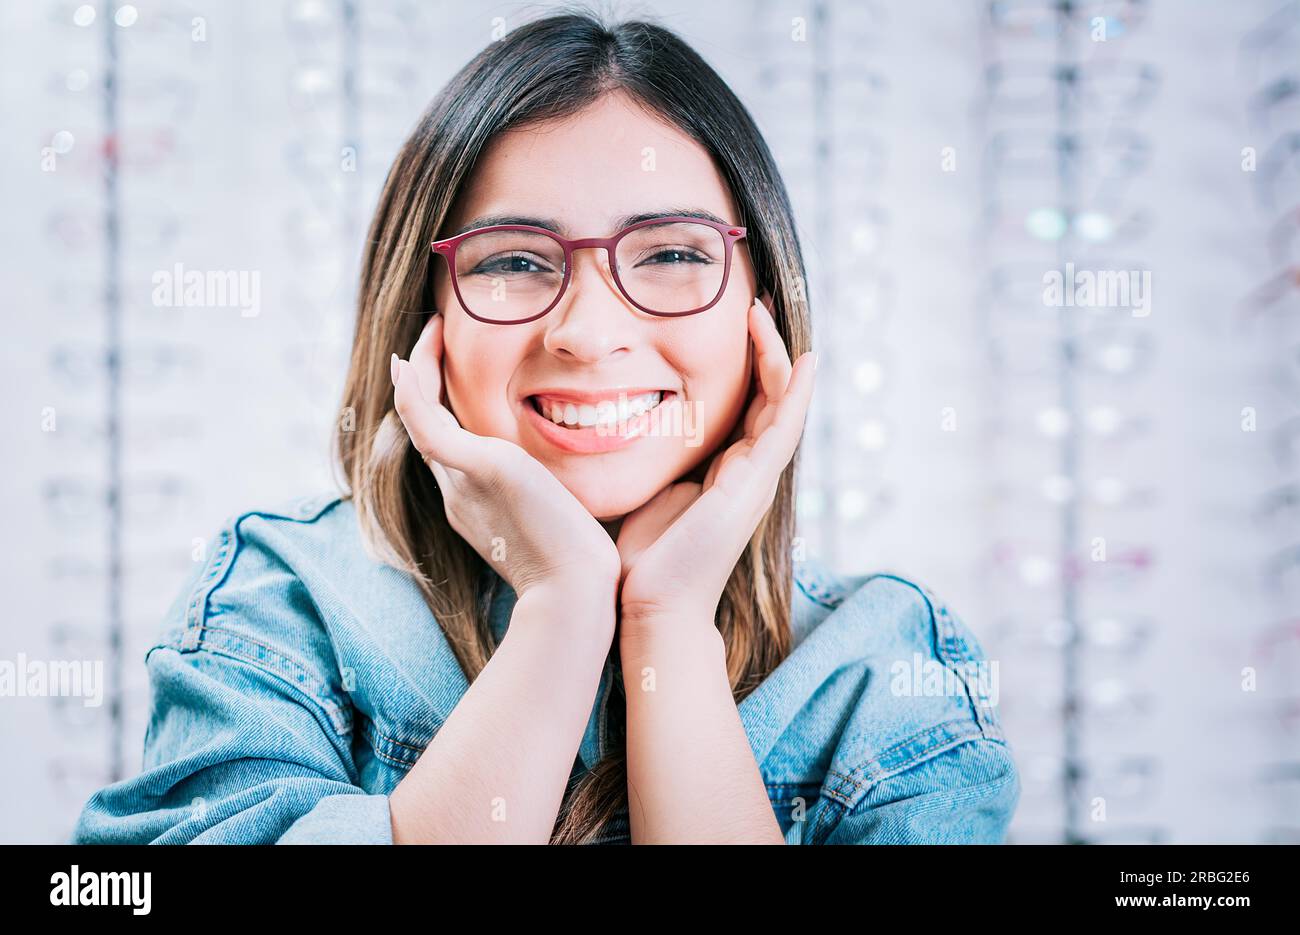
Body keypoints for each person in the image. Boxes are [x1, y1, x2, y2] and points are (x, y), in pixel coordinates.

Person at [72, 11, 1018, 845]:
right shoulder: (286, 606)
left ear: (761, 312)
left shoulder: (885, 671)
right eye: (516, 261)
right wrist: (563, 608)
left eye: (675, 253)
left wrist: (668, 622)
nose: (589, 333)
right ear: (423, 313)